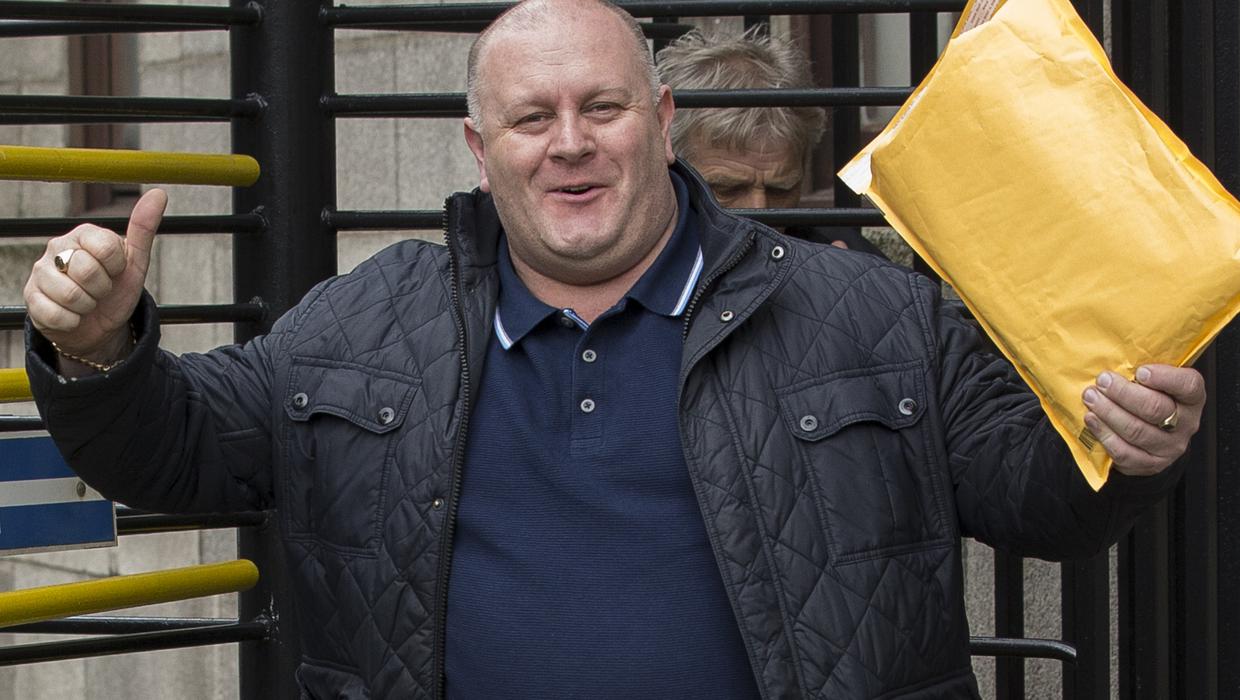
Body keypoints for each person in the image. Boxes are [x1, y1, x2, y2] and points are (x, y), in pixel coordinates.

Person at [23, 1, 1204, 697]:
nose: (570, 144)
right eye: (532, 118)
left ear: (663, 122)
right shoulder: (365, 319)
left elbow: (1033, 493)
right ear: (479, 148)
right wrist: (98, 345)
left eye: (602, 107)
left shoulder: (870, 314)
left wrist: (1124, 446)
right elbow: (177, 449)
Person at [656, 28, 884, 255]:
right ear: (669, 164)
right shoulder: (643, 257)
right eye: (728, 189)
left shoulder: (843, 256)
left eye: (780, 190)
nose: (760, 211)